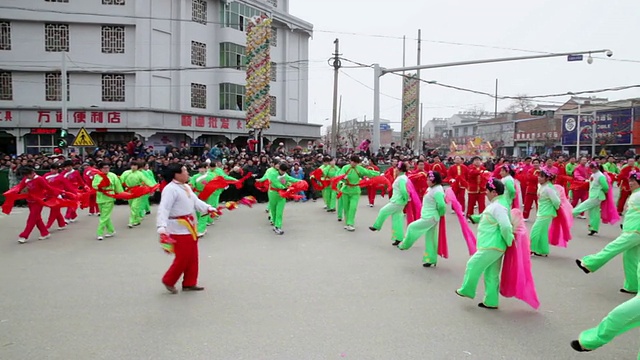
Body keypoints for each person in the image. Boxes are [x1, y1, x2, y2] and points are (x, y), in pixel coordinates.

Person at [576, 170, 640, 294]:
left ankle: (589, 263)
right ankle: (632, 285)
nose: (631, 183)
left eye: (634, 181)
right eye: (630, 180)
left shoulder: (638, 195)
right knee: (630, 258)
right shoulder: (635, 194)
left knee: (612, 248)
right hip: (633, 229)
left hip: (634, 231)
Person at [456, 178, 513, 310]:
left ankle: (467, 290)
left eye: (487, 191)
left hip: (492, 245)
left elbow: (505, 226)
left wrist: (509, 240)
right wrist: (474, 218)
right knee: (491, 274)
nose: (485, 193)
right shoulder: (497, 204)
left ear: (494, 192)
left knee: (473, 264)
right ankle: (491, 301)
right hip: (494, 245)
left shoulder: (498, 206)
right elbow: (486, 217)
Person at [157, 164, 215, 294]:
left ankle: (189, 282)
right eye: (185, 171)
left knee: (193, 256)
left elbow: (196, 202)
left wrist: (208, 208)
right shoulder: (170, 189)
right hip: (177, 227)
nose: (188, 173)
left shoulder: (186, 187)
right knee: (183, 257)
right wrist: (161, 226)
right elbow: (164, 208)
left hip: (189, 225)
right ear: (177, 174)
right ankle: (169, 280)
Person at [397, 171, 445, 267]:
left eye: (428, 179)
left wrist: (440, 214)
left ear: (434, 181)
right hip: (429, 216)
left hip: (430, 217)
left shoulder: (437, 190)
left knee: (412, 227)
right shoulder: (432, 188)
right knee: (430, 238)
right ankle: (431, 259)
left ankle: (405, 244)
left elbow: (442, 205)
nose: (427, 181)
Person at [370, 162, 410, 245]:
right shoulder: (403, 177)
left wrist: (406, 198)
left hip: (397, 201)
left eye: (397, 169)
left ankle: (377, 226)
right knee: (397, 220)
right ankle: (398, 238)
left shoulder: (401, 178)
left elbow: (403, 190)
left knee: (383, 211)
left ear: (399, 170)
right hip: (399, 201)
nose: (395, 170)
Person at [16, 167, 59, 244]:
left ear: (33, 172)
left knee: (31, 219)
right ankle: (45, 233)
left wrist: (56, 195)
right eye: (26, 175)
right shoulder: (26, 179)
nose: (28, 176)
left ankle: (24, 235)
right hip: (30, 201)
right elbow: (20, 187)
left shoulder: (39, 179)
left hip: (38, 201)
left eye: (29, 174)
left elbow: (48, 188)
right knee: (37, 218)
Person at [337, 155, 380, 231]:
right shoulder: (345, 168)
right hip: (346, 189)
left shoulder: (359, 168)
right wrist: (343, 177)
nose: (354, 164)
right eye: (353, 162)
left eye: (356, 163)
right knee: (346, 207)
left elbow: (368, 172)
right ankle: (347, 223)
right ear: (350, 161)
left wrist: (378, 174)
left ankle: (350, 223)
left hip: (355, 190)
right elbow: (339, 176)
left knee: (353, 207)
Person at [529, 167, 561, 257]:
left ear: (547, 178)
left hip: (546, 213)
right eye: (539, 176)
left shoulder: (548, 188)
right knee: (542, 232)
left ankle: (531, 249)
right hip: (542, 211)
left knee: (535, 231)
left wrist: (555, 208)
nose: (539, 178)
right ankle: (543, 250)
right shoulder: (541, 186)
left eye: (542, 177)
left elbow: (557, 201)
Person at [572, 161, 609, 236]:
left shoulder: (600, 176)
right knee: (594, 213)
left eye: (592, 168)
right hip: (593, 195)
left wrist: (600, 190)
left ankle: (569, 215)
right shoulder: (594, 174)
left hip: (596, 196)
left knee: (583, 206)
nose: (590, 169)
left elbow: (606, 187)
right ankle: (593, 228)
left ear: (596, 168)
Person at [265, 163, 301, 235]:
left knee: (279, 212)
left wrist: (299, 181)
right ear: (279, 169)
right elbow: (275, 183)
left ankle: (278, 226)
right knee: (273, 210)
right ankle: (275, 225)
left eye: (284, 171)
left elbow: (291, 179)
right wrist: (283, 187)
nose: (283, 173)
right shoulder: (273, 174)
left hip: (282, 194)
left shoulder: (285, 175)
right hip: (273, 194)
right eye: (282, 171)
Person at [92, 162, 124, 241]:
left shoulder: (112, 175)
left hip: (110, 197)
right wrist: (101, 186)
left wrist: (122, 194)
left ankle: (99, 233)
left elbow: (118, 186)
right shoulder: (97, 176)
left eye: (107, 168)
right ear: (101, 169)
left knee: (103, 217)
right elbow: (94, 185)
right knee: (105, 216)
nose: (106, 169)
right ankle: (111, 230)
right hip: (100, 197)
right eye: (104, 168)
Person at [121, 160, 156, 228]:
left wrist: (153, 187)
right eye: (133, 165)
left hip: (138, 191)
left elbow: (146, 180)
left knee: (134, 206)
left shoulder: (140, 174)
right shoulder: (126, 173)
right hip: (128, 191)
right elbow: (120, 181)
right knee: (132, 206)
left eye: (135, 165)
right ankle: (137, 220)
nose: (134, 167)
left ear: (137, 167)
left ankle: (131, 221)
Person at [43, 163, 76, 231]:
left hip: (57, 196)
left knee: (54, 211)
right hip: (48, 195)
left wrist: (74, 193)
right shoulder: (46, 176)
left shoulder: (61, 177)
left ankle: (47, 226)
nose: (53, 171)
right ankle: (61, 224)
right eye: (52, 169)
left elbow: (68, 186)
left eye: (55, 169)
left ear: (57, 170)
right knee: (56, 211)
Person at [189, 164, 215, 237]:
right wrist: (190, 186)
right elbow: (191, 184)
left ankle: (201, 230)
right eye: (200, 168)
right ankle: (203, 226)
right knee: (197, 211)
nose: (201, 169)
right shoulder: (195, 177)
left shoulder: (211, 176)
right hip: (197, 194)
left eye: (203, 168)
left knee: (204, 211)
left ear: (206, 168)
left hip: (207, 195)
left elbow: (215, 184)